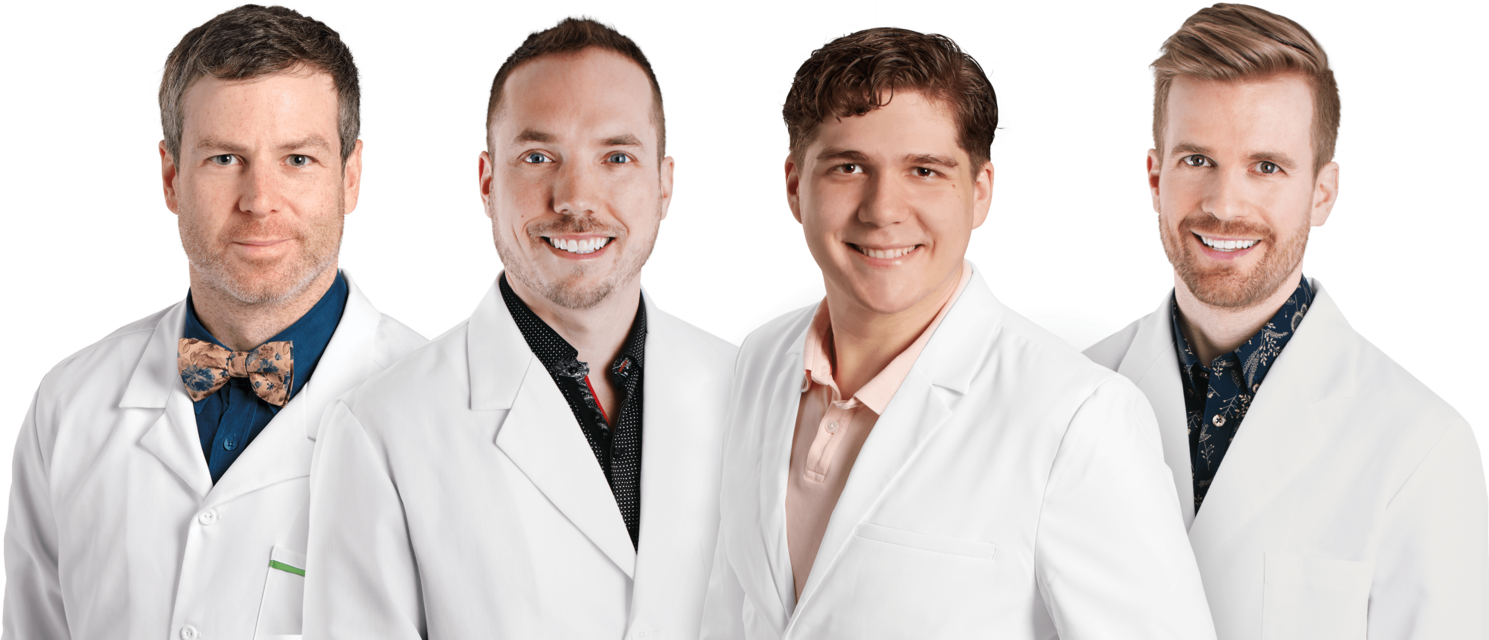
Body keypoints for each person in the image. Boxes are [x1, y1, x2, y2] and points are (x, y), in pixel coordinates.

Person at [701, 26, 1215, 639]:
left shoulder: (1079, 418)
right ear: (793, 187)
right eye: (848, 167)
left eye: (924, 170)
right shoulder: (757, 359)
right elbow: (733, 610)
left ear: (980, 194)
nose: (883, 209)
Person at [302, 13, 738, 639]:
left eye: (617, 157)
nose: (576, 198)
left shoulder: (752, 392)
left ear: (665, 185)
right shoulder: (379, 428)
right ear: (486, 183)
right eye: (538, 157)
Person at [2, 5, 428, 639]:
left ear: (350, 178)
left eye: (298, 159)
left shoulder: (439, 412)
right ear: (171, 178)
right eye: (225, 159)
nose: (259, 202)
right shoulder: (70, 403)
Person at [1082, 4, 1489, 639]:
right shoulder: (1067, 394)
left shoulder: (1422, 446)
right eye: (1197, 160)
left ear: (1323, 193)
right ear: (1155, 178)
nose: (1225, 205)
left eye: (1266, 167)